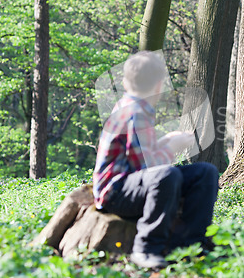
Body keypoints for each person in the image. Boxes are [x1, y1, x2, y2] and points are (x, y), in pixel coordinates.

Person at [93, 51, 219, 268]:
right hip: (114, 191)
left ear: (125, 82)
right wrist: (172, 147)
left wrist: (166, 141)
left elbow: (139, 157)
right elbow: (149, 166)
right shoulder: (135, 112)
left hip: (132, 181)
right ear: (160, 86)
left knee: (205, 172)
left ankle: (191, 244)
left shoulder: (134, 106)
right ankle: (146, 248)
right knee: (166, 175)